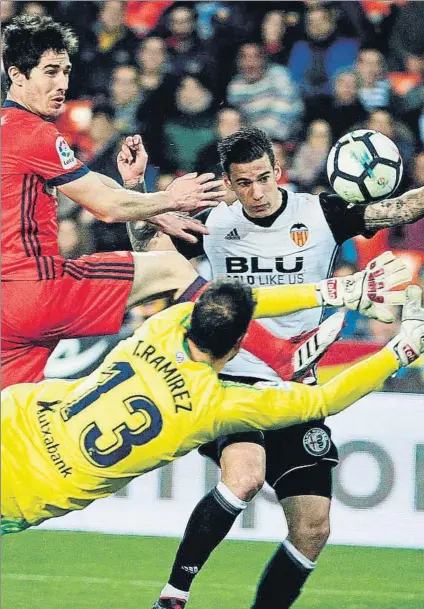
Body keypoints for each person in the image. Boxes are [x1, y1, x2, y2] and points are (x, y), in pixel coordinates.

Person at [150, 127, 424, 609]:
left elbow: (398, 209)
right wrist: (144, 207)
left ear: (278, 171)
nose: (255, 193)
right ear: (229, 184)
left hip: (294, 384)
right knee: (245, 476)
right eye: (243, 183)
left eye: (262, 178)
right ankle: (173, 595)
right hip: (229, 377)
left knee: (313, 528)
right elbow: (151, 262)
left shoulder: (319, 213)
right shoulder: (214, 223)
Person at [2, 280, 423, 539]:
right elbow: (324, 399)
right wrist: (400, 350)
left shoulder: (162, 326)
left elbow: (226, 300)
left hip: (11, 420)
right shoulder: (215, 405)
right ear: (240, 345)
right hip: (26, 492)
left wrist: (328, 292)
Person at [1, 15, 225, 389]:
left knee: (12, 416)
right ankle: (278, 356)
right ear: (18, 75)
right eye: (50, 72)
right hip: (39, 289)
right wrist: (169, 199)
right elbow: (106, 206)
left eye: (66, 71)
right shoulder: (36, 133)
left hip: (6, 310)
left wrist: (150, 204)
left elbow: (93, 182)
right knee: (171, 266)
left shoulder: (8, 131)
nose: (62, 84)